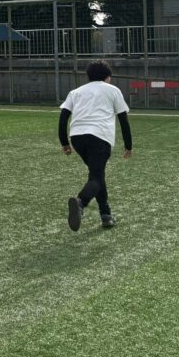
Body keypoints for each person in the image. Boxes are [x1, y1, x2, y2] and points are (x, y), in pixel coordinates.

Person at [59, 60, 133, 231]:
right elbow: (123, 119)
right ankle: (80, 202)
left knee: (97, 175)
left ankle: (106, 215)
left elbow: (63, 117)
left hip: (77, 137)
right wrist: (128, 145)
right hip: (100, 137)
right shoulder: (113, 90)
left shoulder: (76, 92)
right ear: (107, 77)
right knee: (96, 177)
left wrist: (64, 142)